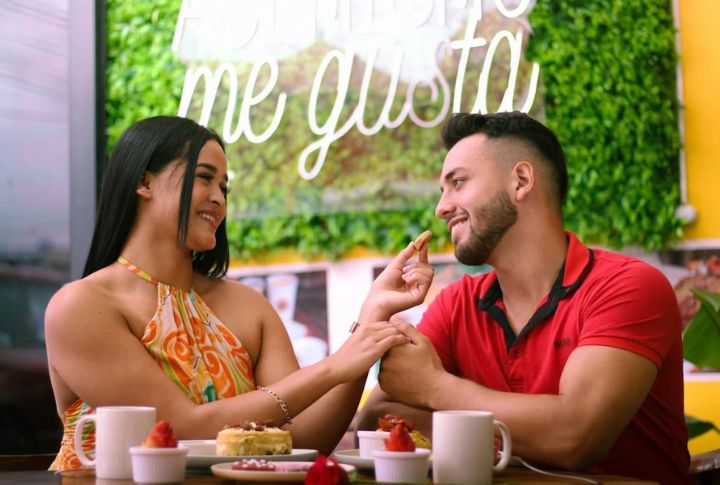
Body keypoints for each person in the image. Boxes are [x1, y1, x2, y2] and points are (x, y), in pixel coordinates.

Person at [44, 116, 433, 471]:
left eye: (224, 187)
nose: (219, 198)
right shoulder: (82, 306)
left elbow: (302, 440)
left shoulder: (248, 306)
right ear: (144, 182)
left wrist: (371, 318)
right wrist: (334, 366)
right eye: (204, 177)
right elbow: (180, 428)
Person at [356, 112, 691, 484]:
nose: (442, 208)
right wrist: (513, 430)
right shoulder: (456, 303)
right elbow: (377, 419)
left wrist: (435, 387)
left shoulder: (627, 286)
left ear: (521, 180)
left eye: (458, 183)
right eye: (442, 191)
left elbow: (575, 436)